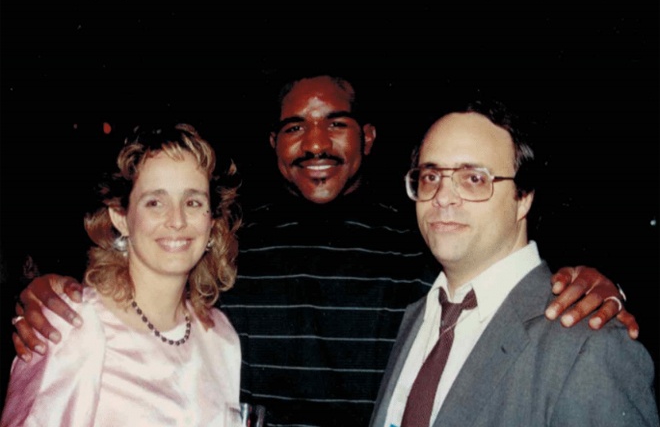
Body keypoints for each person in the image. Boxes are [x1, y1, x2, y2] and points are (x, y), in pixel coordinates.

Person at [12, 75, 637, 426]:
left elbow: (499, 283)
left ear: (366, 137)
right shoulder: (235, 247)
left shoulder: (425, 244)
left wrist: (589, 284)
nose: (314, 143)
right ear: (274, 146)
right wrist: (52, 291)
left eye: (333, 123)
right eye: (293, 128)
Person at [370, 99, 658, 427]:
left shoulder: (590, 345)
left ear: (523, 197)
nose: (443, 196)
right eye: (431, 176)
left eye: (473, 178)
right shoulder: (415, 317)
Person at [2, 124, 242, 426]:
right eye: (155, 202)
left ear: (212, 221)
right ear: (121, 217)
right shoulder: (76, 324)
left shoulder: (221, 338)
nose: (178, 220)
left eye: (193, 202)